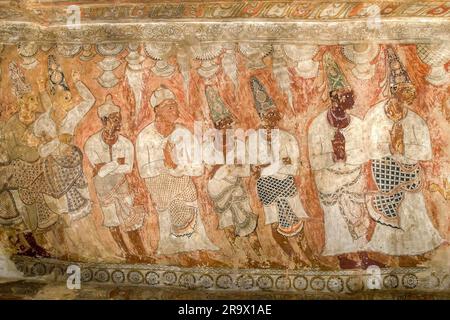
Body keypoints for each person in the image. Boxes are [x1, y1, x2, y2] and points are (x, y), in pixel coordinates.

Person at [364, 46, 444, 263]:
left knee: (413, 209)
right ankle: (393, 252)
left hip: (409, 171)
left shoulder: (415, 120)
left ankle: (418, 246)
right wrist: (389, 148)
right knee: (391, 210)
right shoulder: (375, 116)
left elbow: (424, 151)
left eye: (410, 93)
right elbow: (368, 146)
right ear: (394, 91)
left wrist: (404, 149)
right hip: (385, 170)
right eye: (404, 92)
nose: (409, 97)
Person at [308, 52, 382, 269]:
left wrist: (347, 157)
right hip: (330, 182)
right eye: (344, 95)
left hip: (353, 178)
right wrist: (333, 157)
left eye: (350, 94)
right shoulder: (317, 126)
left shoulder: (358, 124)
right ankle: (342, 258)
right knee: (336, 220)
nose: (350, 99)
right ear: (333, 98)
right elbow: (314, 159)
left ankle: (364, 256)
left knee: (358, 218)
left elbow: (365, 151)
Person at [136, 86, 219, 255]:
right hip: (161, 190)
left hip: (184, 188)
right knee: (170, 239)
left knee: (194, 237)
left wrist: (175, 166)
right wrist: (166, 164)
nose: (175, 110)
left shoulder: (184, 133)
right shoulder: (145, 136)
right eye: (169, 106)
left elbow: (197, 168)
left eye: (175, 106)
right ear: (157, 110)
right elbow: (145, 171)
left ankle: (198, 251)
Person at [249, 76, 310, 265]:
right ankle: (294, 260)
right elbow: (255, 171)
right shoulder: (252, 140)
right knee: (275, 224)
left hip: (286, 184)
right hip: (267, 187)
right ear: (261, 117)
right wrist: (277, 164)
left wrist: (268, 166)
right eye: (268, 116)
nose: (273, 120)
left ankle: (310, 258)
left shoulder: (287, 138)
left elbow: (294, 168)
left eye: (275, 115)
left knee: (297, 222)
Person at [204, 86, 263, 265]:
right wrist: (227, 167)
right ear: (216, 127)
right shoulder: (208, 145)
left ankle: (259, 257)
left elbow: (241, 165)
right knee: (227, 221)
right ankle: (240, 256)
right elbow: (210, 169)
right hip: (218, 188)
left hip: (235, 186)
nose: (226, 128)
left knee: (246, 219)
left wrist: (248, 169)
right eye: (222, 125)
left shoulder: (237, 143)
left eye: (228, 124)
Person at [84, 95, 146, 262]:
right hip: (103, 187)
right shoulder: (92, 143)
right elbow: (101, 173)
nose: (119, 122)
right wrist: (115, 163)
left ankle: (142, 253)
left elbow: (128, 167)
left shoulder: (125, 143)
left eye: (119, 118)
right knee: (112, 220)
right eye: (114, 119)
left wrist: (108, 165)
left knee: (130, 219)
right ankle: (126, 253)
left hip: (121, 184)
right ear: (105, 121)